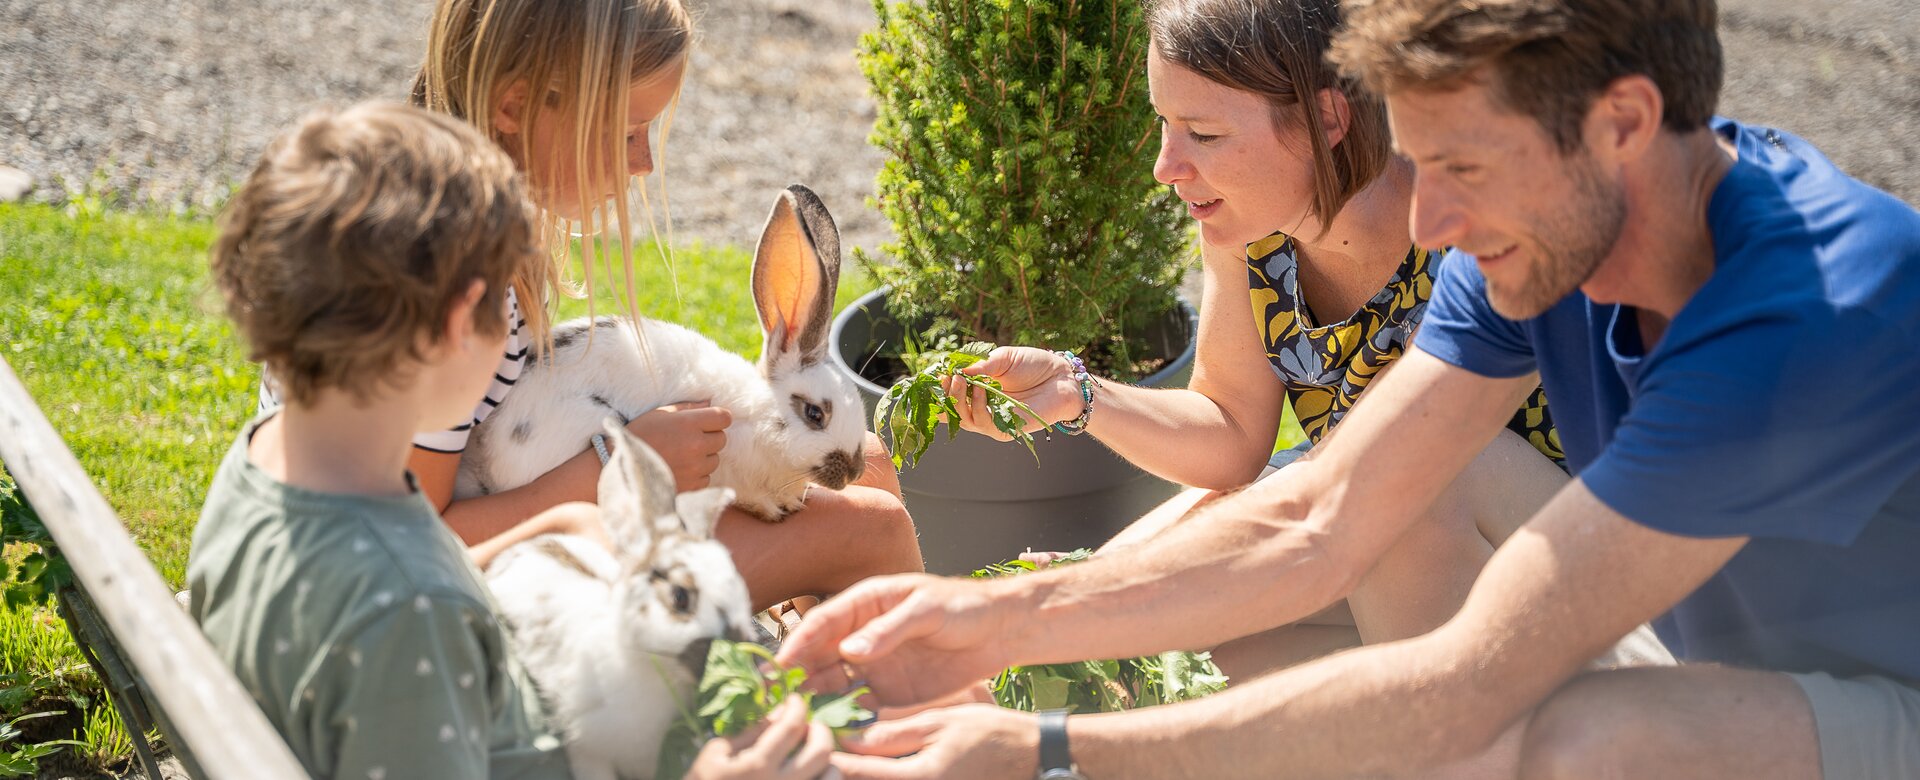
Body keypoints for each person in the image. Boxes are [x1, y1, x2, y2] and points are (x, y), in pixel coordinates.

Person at [784, 0, 1920, 777]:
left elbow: (1472, 679)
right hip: (1690, 631)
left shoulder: (1811, 313)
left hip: (1888, 703)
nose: (1429, 226)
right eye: (1420, 166)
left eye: (1461, 169)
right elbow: (1320, 512)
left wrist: (1050, 752)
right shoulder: (1542, 235)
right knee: (1385, 516)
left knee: (1580, 744)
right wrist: (988, 622)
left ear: (1621, 123)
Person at [944, 0, 1650, 675]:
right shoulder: (1250, 224)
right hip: (1393, 545)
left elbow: (1379, 462)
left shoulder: (1471, 216)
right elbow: (1231, 428)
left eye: (1205, 134)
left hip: (1598, 570)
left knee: (1408, 482)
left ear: (1326, 116)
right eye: (1164, 124)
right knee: (1178, 665)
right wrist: (1077, 392)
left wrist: (1104, 585)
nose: (1166, 166)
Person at [190, 101, 834, 779]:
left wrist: (572, 520)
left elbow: (403, 564)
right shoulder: (412, 620)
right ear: (459, 324)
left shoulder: (272, 459)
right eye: (507, 314)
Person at [255, 0, 923, 603]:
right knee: (872, 532)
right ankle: (931, 724)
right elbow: (427, 540)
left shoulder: (465, 215)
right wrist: (618, 462)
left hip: (504, 522)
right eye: (626, 133)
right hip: (423, 595)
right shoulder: (443, 281)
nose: (643, 166)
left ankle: (817, 687)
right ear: (514, 108)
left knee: (870, 465)